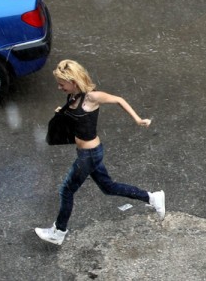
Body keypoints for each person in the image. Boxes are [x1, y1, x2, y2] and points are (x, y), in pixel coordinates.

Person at [35, 59, 165, 245]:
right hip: (88, 154)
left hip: (90, 155)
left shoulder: (91, 97)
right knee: (108, 187)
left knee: (66, 190)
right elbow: (78, 119)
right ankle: (152, 197)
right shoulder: (73, 97)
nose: (59, 87)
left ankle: (59, 231)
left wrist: (138, 119)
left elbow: (118, 100)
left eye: (61, 84)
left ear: (73, 81)